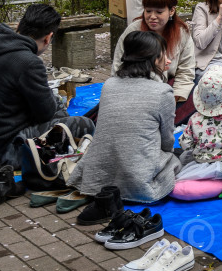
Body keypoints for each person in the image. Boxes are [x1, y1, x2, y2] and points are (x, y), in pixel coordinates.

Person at [0, 4, 94, 166]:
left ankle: (60, 139)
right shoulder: (30, 62)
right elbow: (45, 114)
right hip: (3, 152)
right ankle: (60, 147)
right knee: (84, 124)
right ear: (48, 38)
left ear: (18, 26)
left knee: (55, 105)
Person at [68, 31, 180, 204]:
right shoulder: (162, 92)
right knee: (175, 161)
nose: (168, 60)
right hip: (139, 177)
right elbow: (167, 141)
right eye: (163, 55)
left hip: (98, 172)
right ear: (153, 59)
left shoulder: (109, 84)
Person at [112, 0, 198, 124]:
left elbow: (186, 72)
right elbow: (118, 68)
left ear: (171, 11)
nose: (152, 17)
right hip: (135, 90)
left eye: (159, 12)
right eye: (148, 11)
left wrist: (171, 101)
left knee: (197, 94)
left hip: (168, 90)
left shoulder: (182, 33)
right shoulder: (133, 31)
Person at [175, 63, 222, 196]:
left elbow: (185, 144)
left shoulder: (195, 119)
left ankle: (208, 187)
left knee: (183, 173)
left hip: (201, 162)